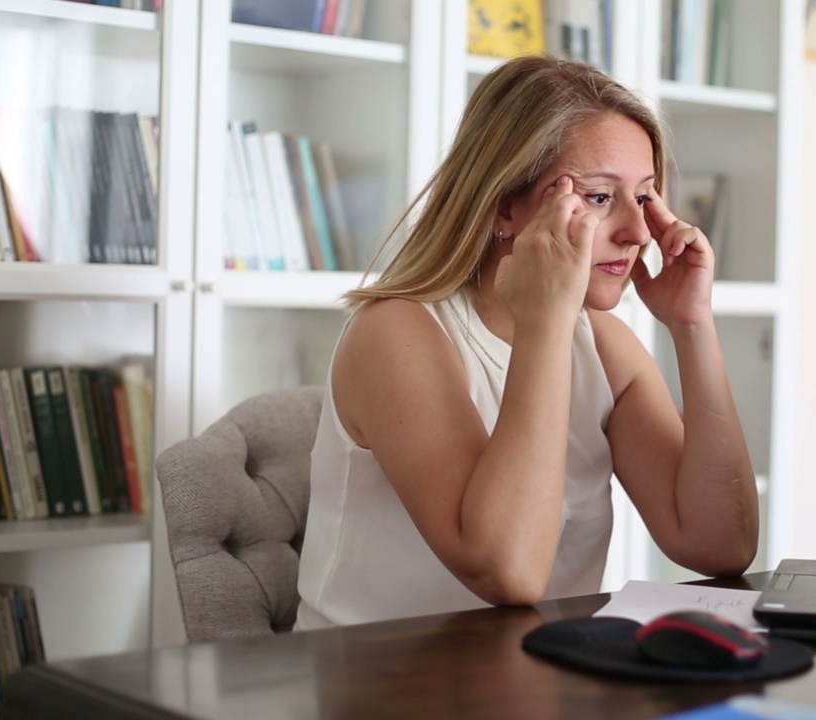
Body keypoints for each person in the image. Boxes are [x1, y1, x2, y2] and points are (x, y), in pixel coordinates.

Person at [294, 56, 757, 630]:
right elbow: (507, 572)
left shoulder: (607, 350)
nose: (638, 233)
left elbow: (721, 545)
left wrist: (693, 326)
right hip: (377, 690)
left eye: (642, 197)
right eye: (597, 197)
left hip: (534, 686)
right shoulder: (395, 334)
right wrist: (545, 324)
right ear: (504, 207)